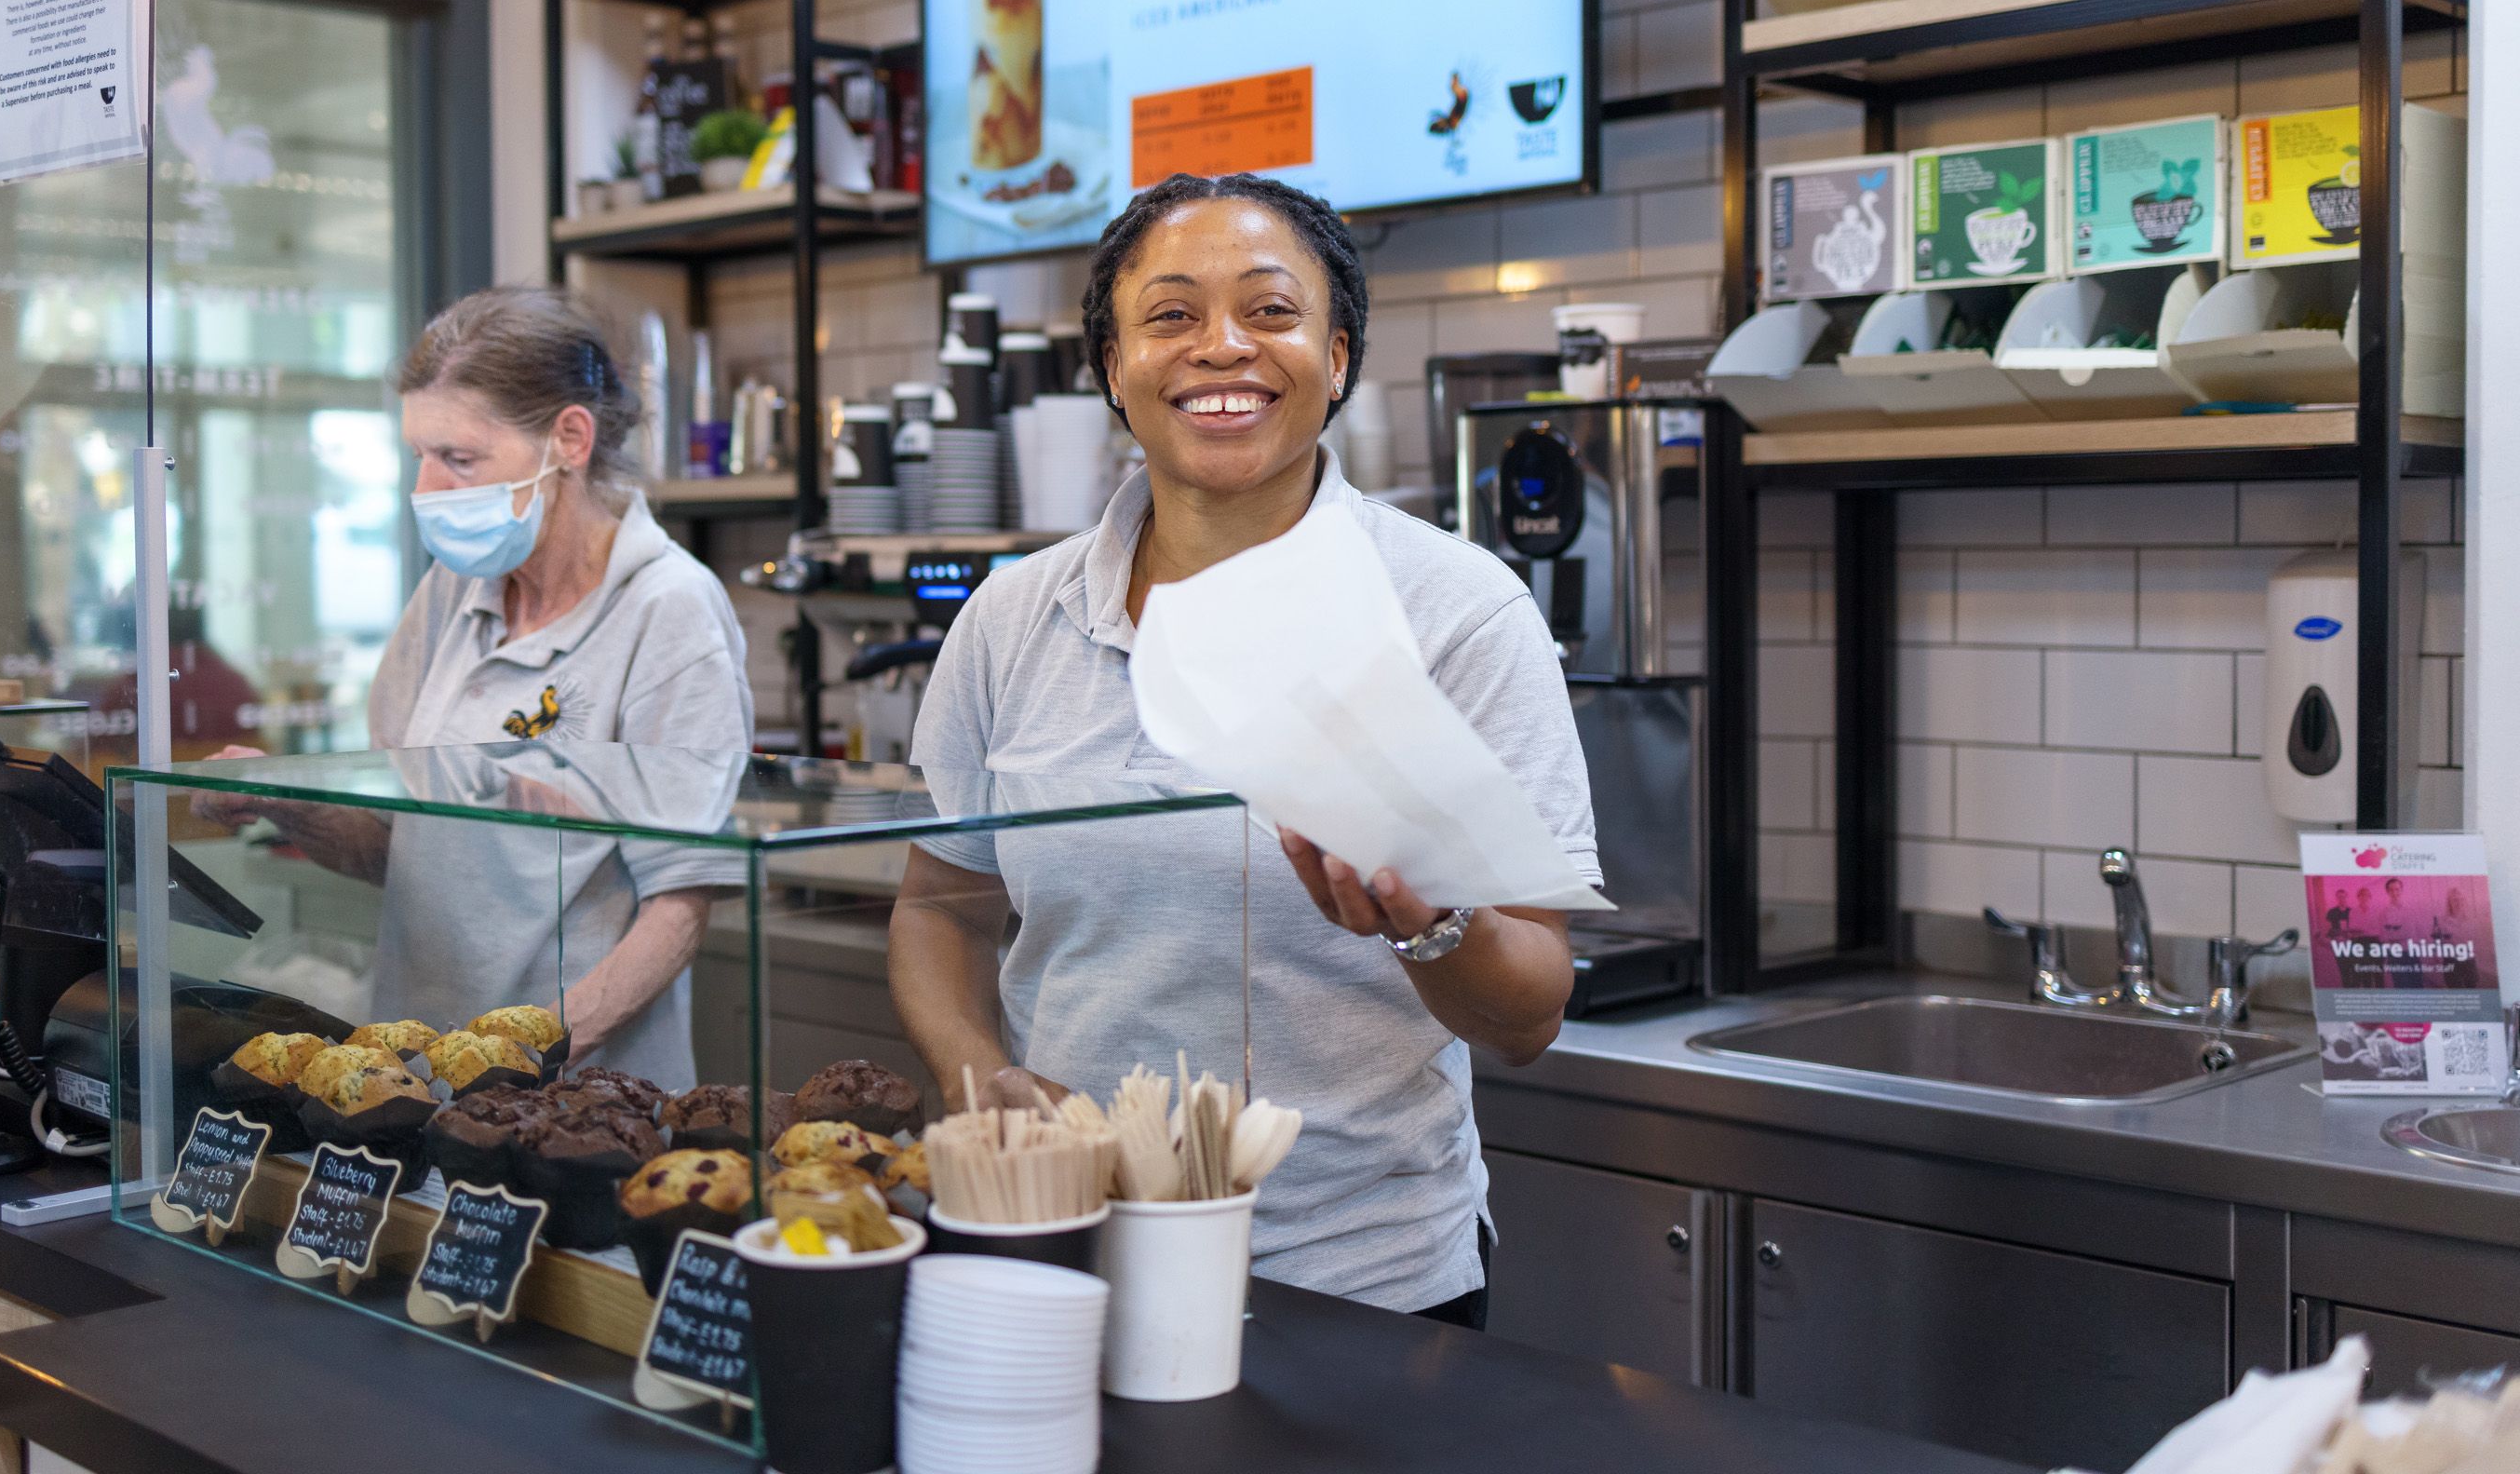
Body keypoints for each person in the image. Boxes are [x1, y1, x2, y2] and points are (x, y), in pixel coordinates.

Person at [888, 172, 1597, 1328]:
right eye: (1170, 315)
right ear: (1114, 368)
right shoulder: (1014, 619)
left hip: (1361, 1281)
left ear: (1339, 353)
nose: (1222, 347)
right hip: (1066, 1249)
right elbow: (940, 908)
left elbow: (1529, 1012)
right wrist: (980, 1074)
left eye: (1271, 311)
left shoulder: (1459, 611)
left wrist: (1429, 921)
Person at [201, 286, 752, 1086]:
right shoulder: (454, 593)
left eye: (460, 459)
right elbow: (400, 847)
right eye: (419, 457)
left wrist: (528, 1056)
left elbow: (679, 907)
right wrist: (281, 798)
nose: (427, 490)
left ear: (569, 437)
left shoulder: (668, 612)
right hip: (412, 1073)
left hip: (573, 1100)